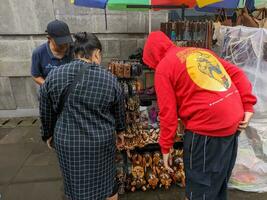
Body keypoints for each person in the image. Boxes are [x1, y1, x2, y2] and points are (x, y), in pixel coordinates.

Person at [142, 31, 257, 200]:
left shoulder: (163, 68)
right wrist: (247, 105)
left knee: (200, 189)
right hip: (233, 121)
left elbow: (168, 113)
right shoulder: (200, 52)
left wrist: (166, 147)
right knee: (218, 183)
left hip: (207, 127)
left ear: (153, 55)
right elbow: (237, 73)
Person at [39, 32, 125, 200]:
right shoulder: (109, 79)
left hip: (68, 142)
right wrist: (120, 132)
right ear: (97, 53)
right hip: (101, 142)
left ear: (75, 52)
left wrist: (48, 134)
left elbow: (45, 110)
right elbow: (119, 112)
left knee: (75, 185)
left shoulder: (54, 76)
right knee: (108, 183)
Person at [31, 20, 73, 85]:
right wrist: (49, 86)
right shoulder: (39, 53)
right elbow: (36, 76)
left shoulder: (75, 49)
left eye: (66, 42)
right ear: (49, 38)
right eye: (60, 43)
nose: (65, 46)